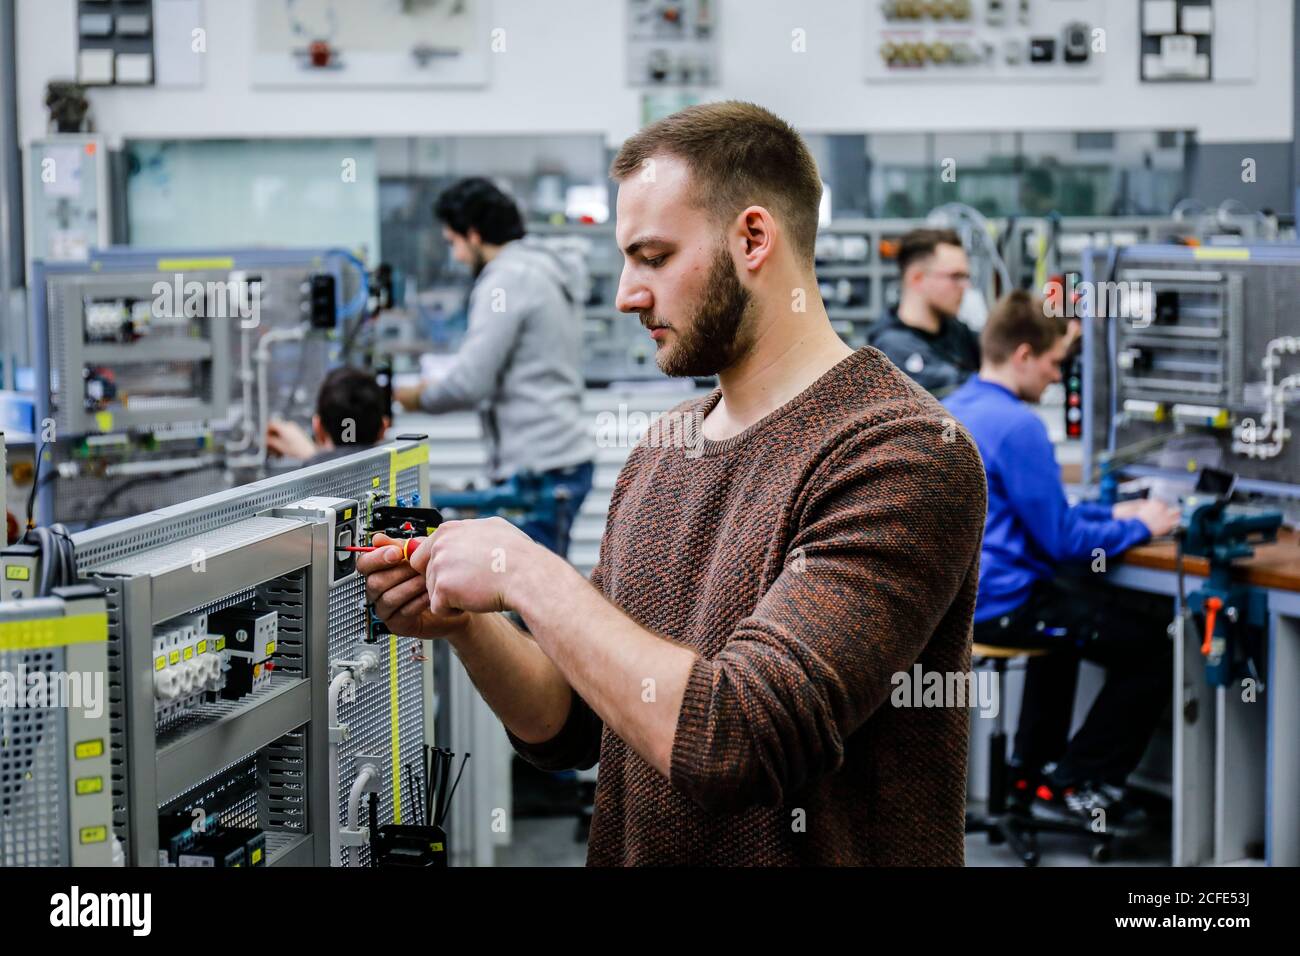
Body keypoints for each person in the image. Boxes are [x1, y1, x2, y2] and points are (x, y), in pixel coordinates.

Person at [361, 101, 987, 866]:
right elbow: (571, 725)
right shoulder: (665, 446)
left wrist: (527, 573)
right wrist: (468, 625)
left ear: (753, 238)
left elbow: (740, 741)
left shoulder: (904, 451)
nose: (627, 293)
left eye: (653, 258)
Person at [943, 290, 1180, 834]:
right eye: (1053, 364)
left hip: (966, 601)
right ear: (1023, 355)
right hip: (1005, 605)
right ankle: (1080, 779)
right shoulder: (1020, 426)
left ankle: (1031, 774)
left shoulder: (957, 407)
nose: (1056, 379)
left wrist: (1109, 513)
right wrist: (1144, 525)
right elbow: (1064, 543)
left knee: (1070, 622)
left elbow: (1040, 515)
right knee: (1155, 644)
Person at [393, 176, 594, 556]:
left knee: (529, 600)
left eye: (453, 242)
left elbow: (471, 382)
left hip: (539, 472)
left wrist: (414, 398)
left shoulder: (506, 279)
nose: (455, 256)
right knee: (541, 591)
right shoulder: (538, 267)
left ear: (473, 234)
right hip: (561, 463)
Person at [866, 227, 981, 397]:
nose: (965, 287)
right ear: (917, 278)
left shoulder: (958, 333)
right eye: (956, 276)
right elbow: (950, 390)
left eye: (966, 277)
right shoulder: (889, 349)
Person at [266, 366, 390, 467]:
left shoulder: (309, 482)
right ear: (384, 428)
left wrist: (313, 457)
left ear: (318, 427)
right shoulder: (397, 472)